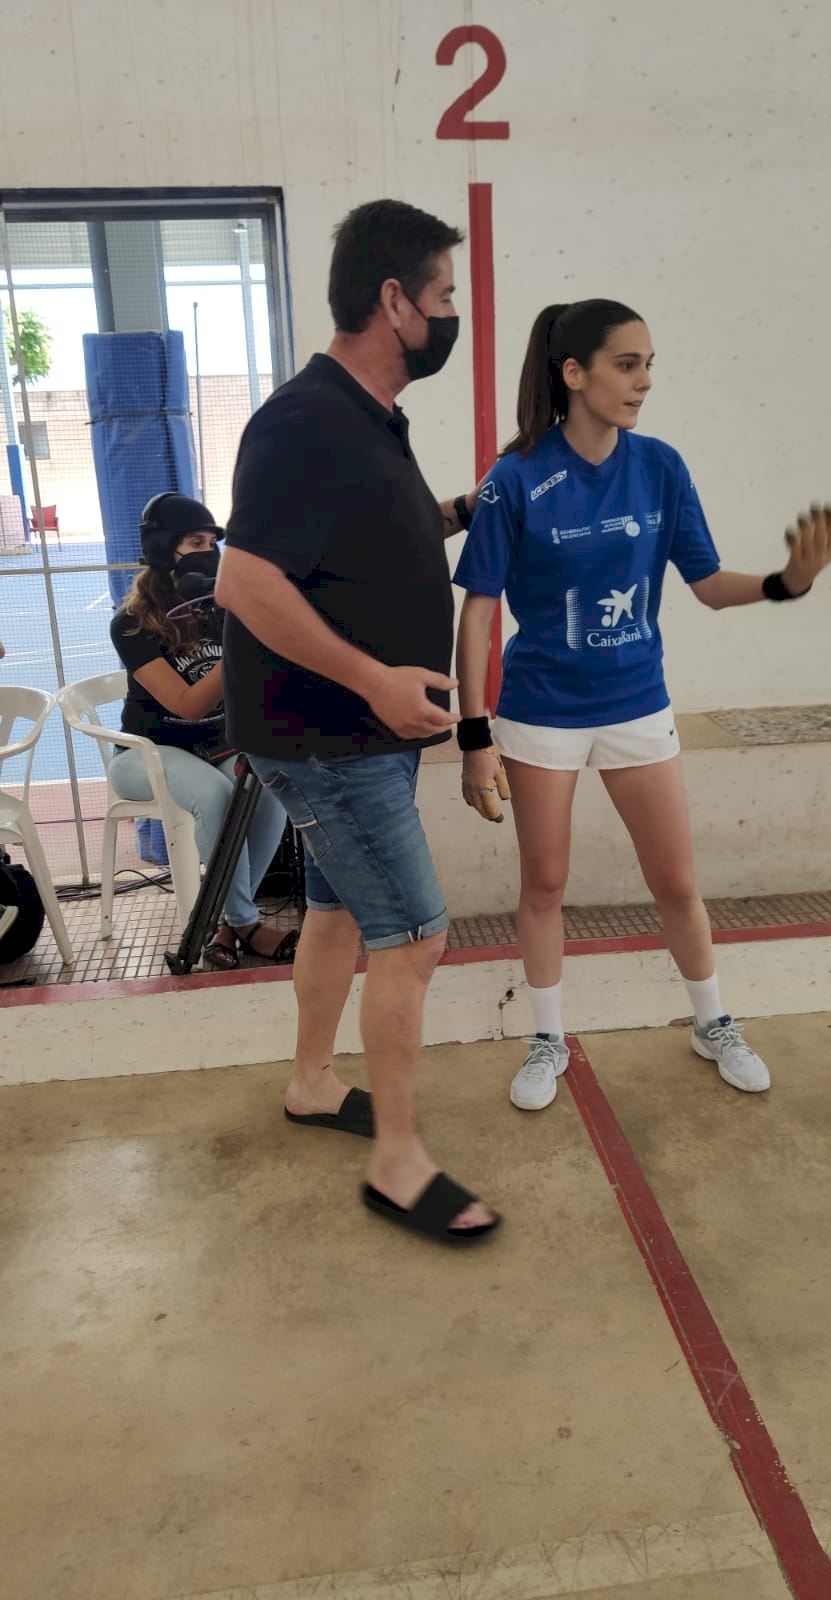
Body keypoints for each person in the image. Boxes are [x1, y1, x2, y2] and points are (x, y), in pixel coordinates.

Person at [453, 299, 831, 1110]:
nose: (644, 381)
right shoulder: (514, 478)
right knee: (544, 882)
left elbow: (708, 584)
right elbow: (479, 615)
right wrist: (474, 735)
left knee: (676, 880)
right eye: (627, 365)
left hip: (636, 703)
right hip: (541, 710)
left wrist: (785, 583)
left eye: (649, 365)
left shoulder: (661, 466)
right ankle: (547, 1039)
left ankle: (713, 1022)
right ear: (574, 373)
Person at [216, 199, 500, 1244]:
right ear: (394, 301)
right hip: (328, 737)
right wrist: (375, 679)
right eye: (444, 295)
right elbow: (246, 581)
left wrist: (465, 510)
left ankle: (311, 1081)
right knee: (414, 935)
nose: (452, 312)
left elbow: (368, 540)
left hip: (350, 735)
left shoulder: (368, 419)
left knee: (337, 913)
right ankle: (399, 1165)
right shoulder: (307, 419)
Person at [108, 492, 294, 970]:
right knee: (215, 795)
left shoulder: (221, 608)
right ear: (163, 549)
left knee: (272, 788)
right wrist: (239, 646)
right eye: (195, 542)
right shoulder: (130, 625)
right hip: (147, 755)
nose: (208, 552)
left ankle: (228, 928)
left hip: (217, 748)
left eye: (212, 543)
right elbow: (189, 706)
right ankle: (247, 925)